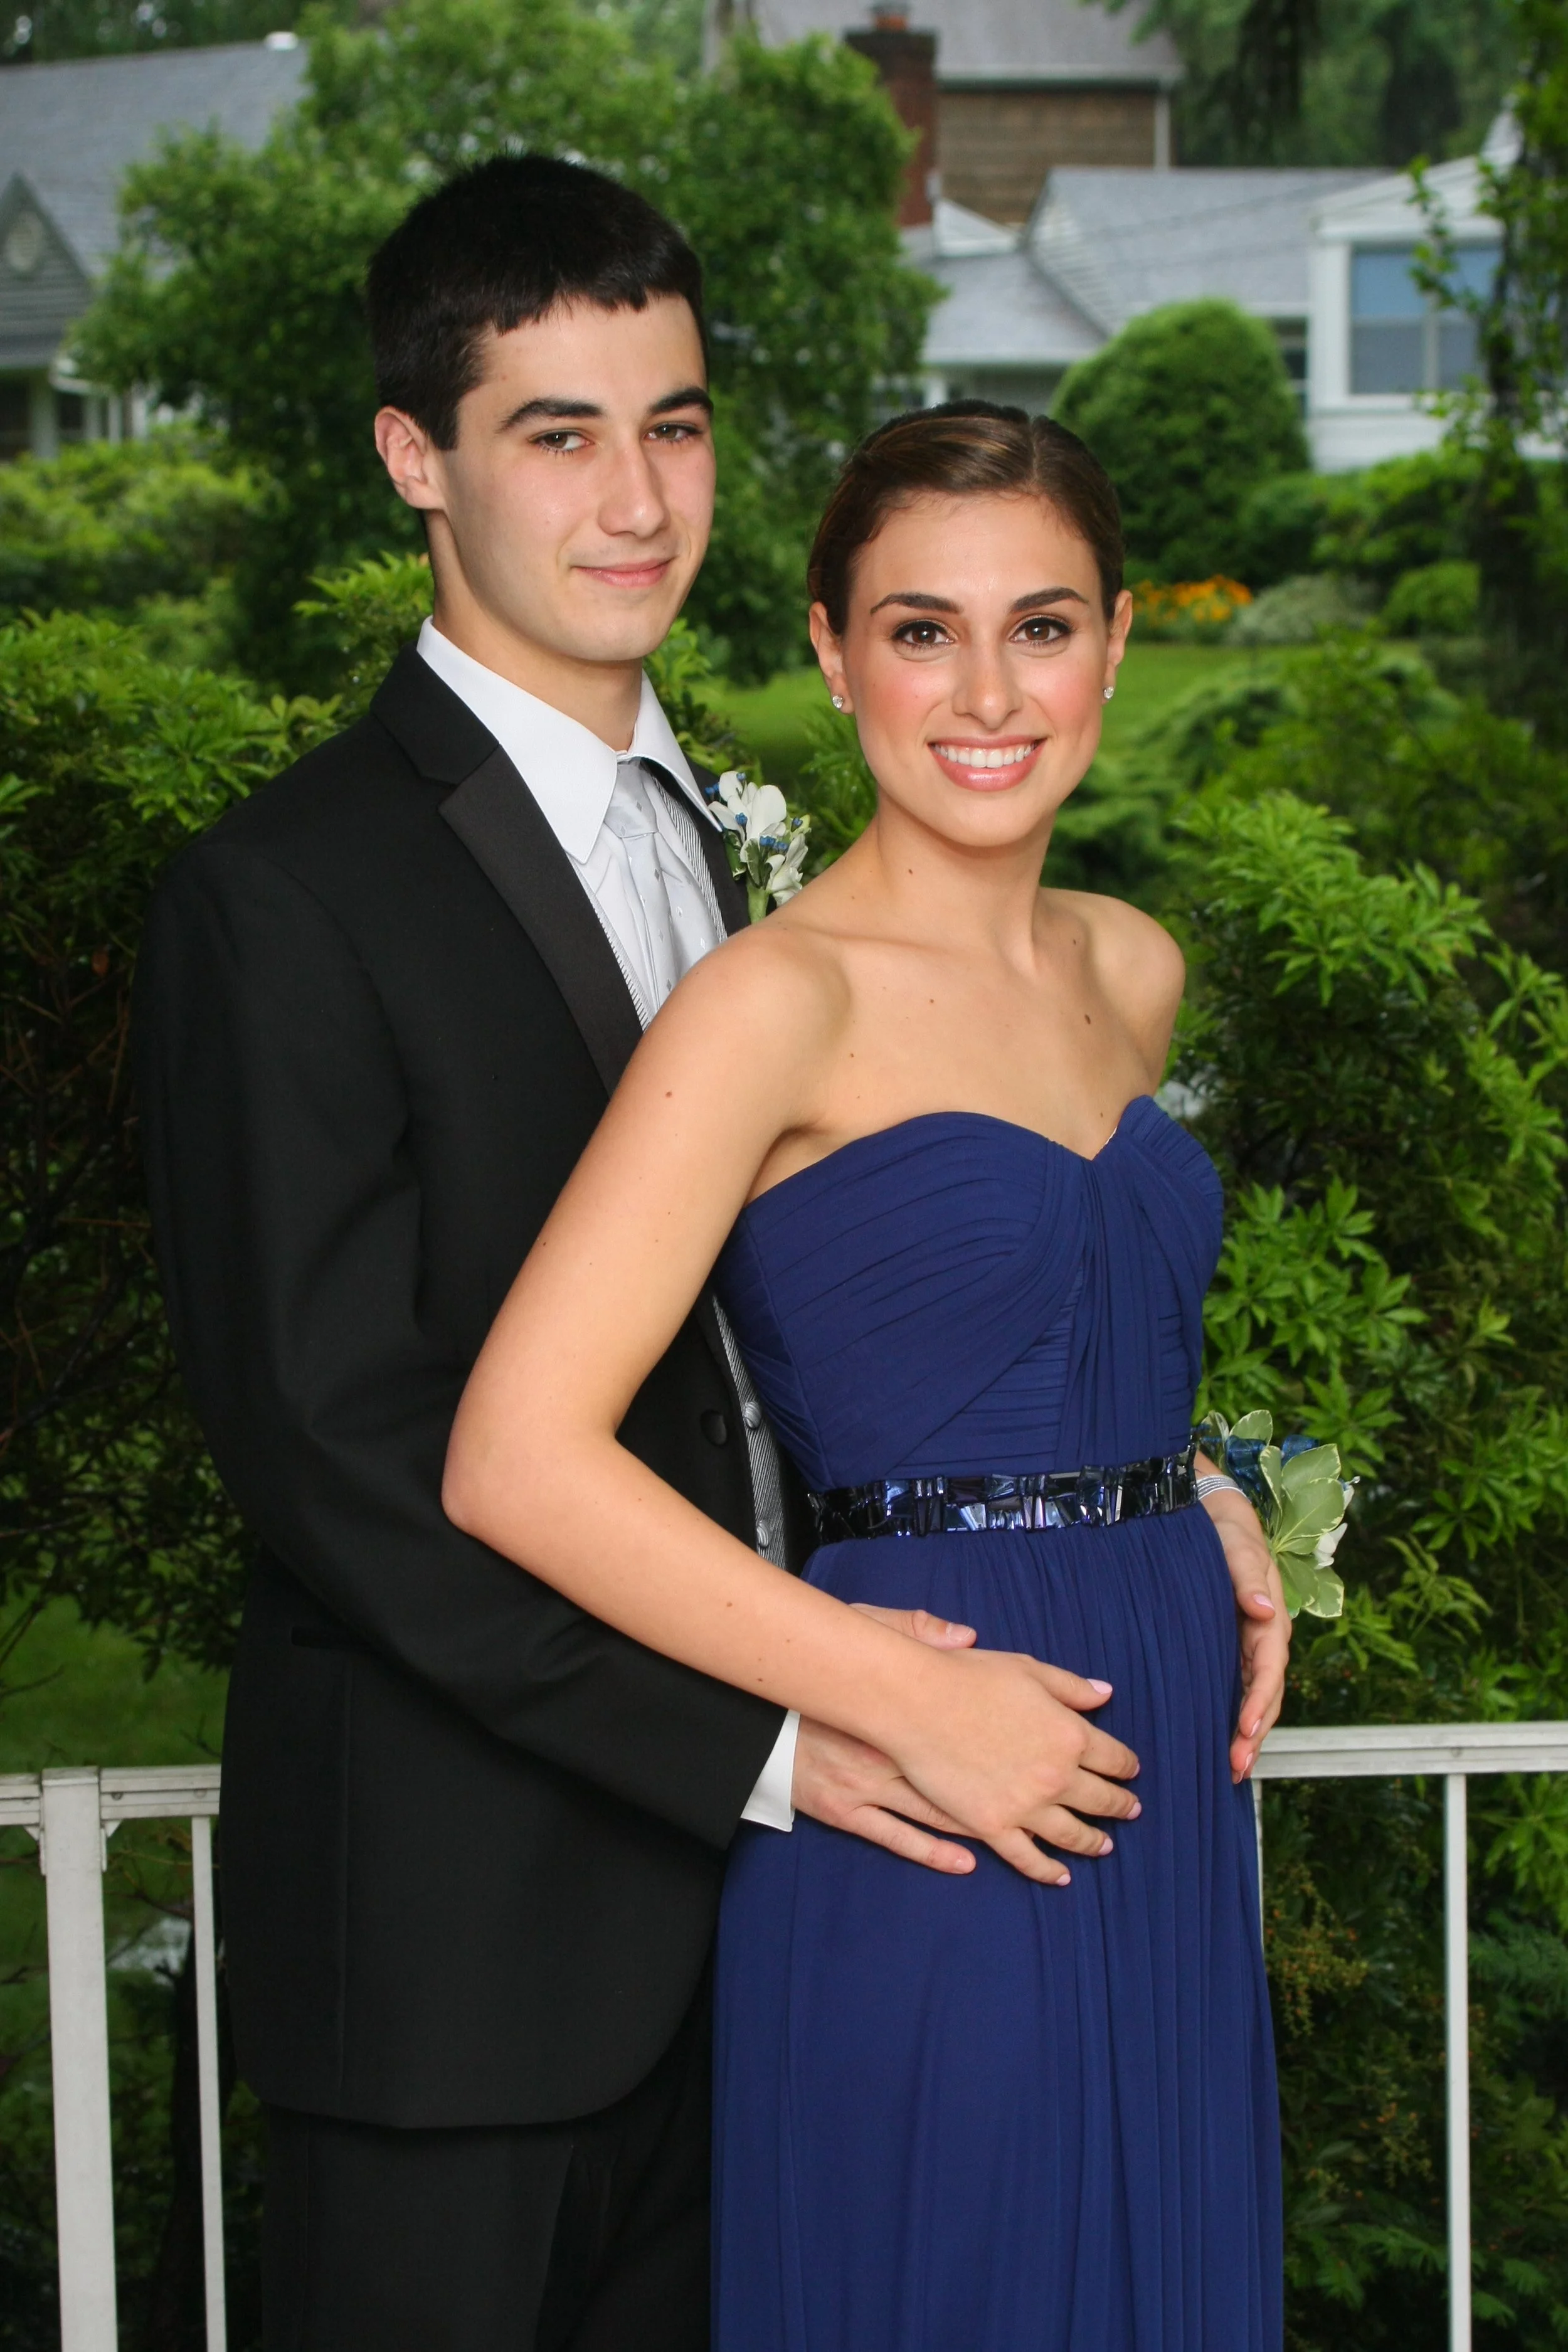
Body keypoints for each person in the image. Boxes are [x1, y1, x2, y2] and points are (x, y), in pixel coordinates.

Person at [135, 159, 1275, 2352]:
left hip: (792, 1894)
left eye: (671, 424)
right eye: (556, 432)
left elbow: (821, 1327)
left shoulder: (737, 835)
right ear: (414, 461)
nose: (636, 495)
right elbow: (344, 1456)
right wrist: (793, 1725)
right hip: (476, 1953)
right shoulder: (285, 899)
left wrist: (1155, 1484)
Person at [445, 401, 1288, 2350]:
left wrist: (1201, 1483)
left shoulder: (1130, 968)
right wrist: (897, 1688)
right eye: (920, 629)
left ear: (1115, 640)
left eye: (1041, 624)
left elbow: (1050, 1336)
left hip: (1159, 1776)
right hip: (930, 1773)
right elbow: (514, 1456)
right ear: (831, 653)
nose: (984, 690)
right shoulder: (771, 1003)